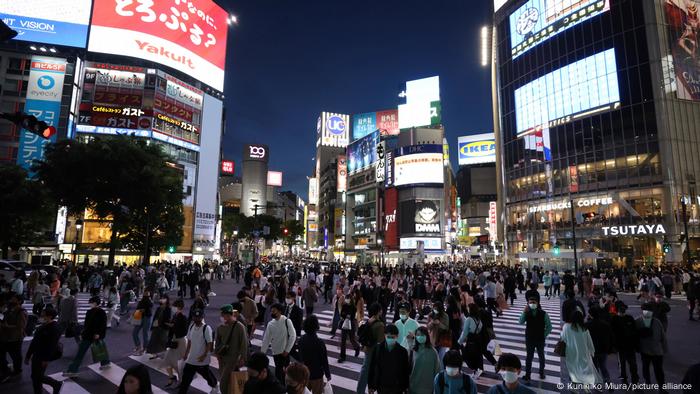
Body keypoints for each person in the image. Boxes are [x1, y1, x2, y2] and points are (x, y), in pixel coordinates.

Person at [64, 296, 111, 376]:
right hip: (89, 334)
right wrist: (83, 333)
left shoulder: (101, 312)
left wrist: (98, 334)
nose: (90, 304)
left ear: (95, 303)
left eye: (91, 302)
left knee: (81, 353)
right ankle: (105, 363)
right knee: (100, 349)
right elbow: (86, 325)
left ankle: (72, 370)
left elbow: (102, 325)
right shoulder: (90, 311)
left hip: (93, 335)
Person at [179, 308, 219, 394]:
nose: (197, 319)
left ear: (202, 317)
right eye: (195, 317)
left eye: (199, 317)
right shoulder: (191, 326)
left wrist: (204, 355)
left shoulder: (206, 328)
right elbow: (189, 341)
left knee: (207, 375)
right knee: (185, 379)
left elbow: (209, 343)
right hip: (191, 359)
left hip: (202, 360)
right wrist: (186, 354)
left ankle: (215, 385)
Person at [24, 307, 63, 394]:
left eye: (43, 314)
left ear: (49, 316)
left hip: (43, 356)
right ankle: (40, 391)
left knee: (36, 376)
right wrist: (28, 355)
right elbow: (34, 342)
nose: (41, 316)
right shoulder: (43, 326)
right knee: (36, 376)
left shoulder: (54, 328)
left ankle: (56, 384)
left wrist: (46, 359)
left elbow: (51, 346)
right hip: (37, 354)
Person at [214, 304, 248, 394]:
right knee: (229, 380)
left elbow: (244, 343)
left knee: (223, 383)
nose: (221, 317)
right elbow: (217, 341)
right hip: (222, 358)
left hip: (233, 359)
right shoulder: (220, 327)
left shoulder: (239, 327)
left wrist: (243, 358)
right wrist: (217, 353)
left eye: (223, 315)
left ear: (229, 315)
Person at [560, 310, 600, 386]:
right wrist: (592, 351)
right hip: (583, 352)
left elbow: (563, 338)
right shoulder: (584, 328)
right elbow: (589, 342)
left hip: (570, 352)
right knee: (583, 368)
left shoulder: (566, 327)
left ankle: (574, 385)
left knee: (572, 369)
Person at [368, 323, 410, 394]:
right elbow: (372, 367)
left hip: (397, 387)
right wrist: (370, 385)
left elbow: (405, 371)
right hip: (381, 386)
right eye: (388, 337)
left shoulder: (402, 351)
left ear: (397, 336)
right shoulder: (378, 349)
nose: (390, 339)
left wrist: (405, 387)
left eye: (392, 337)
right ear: (385, 335)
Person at [518, 295, 552, 381]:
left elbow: (549, 327)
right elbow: (520, 322)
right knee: (530, 357)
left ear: (538, 303)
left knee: (540, 356)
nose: (532, 304)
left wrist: (543, 335)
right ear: (528, 304)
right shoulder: (527, 313)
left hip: (538, 339)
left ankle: (541, 372)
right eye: (530, 303)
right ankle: (528, 374)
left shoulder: (544, 313)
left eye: (534, 302)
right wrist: (524, 312)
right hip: (530, 339)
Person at [260, 303, 297, 383]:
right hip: (276, 352)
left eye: (274, 311)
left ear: (280, 311)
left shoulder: (287, 321)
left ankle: (284, 388)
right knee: (279, 372)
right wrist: (262, 353)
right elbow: (266, 339)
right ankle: (282, 388)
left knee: (284, 372)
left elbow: (293, 336)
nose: (272, 313)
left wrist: (287, 350)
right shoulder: (270, 324)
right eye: (271, 311)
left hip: (285, 352)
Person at [297, 315, 331, 394]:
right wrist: (327, 374)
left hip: (304, 374)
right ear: (316, 326)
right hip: (317, 374)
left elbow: (300, 355)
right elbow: (324, 360)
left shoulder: (301, 340)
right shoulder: (320, 342)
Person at [636, 303, 668, 388]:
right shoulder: (657, 322)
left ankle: (648, 382)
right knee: (658, 370)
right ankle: (661, 386)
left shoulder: (638, 321)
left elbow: (634, 336)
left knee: (646, 368)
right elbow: (663, 337)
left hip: (645, 350)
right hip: (657, 351)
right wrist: (665, 349)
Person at [357, 302, 385, 394]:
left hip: (367, 348)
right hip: (374, 349)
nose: (382, 311)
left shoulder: (369, 320)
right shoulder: (380, 324)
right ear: (378, 311)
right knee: (373, 371)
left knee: (365, 369)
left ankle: (360, 390)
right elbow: (381, 341)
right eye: (380, 310)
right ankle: (370, 389)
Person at [610, 301, 639, 385]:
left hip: (630, 346)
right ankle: (625, 381)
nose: (622, 310)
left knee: (632, 365)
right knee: (623, 365)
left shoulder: (629, 318)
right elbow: (612, 334)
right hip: (621, 347)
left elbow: (635, 331)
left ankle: (634, 380)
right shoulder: (614, 319)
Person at [0, 293, 27, 382]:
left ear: (19, 301)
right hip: (5, 337)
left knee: (16, 356)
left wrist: (7, 326)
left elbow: (21, 327)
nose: (11, 300)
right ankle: (6, 369)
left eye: (14, 299)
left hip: (15, 338)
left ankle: (17, 370)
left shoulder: (21, 312)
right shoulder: (9, 309)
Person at [408, 326, 441, 394]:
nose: (420, 337)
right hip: (413, 386)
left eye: (422, 335)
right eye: (418, 335)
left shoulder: (433, 352)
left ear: (427, 336)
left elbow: (437, 370)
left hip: (428, 388)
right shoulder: (413, 350)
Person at [163, 299, 188, 387]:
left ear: (180, 307)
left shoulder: (183, 317)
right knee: (167, 361)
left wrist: (174, 327)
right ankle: (172, 377)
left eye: (175, 306)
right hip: (174, 341)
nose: (173, 308)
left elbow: (185, 331)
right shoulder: (175, 315)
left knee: (179, 364)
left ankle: (181, 381)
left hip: (181, 341)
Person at [586, 307, 614, 383]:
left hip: (592, 349)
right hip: (603, 349)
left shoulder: (587, 325)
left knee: (595, 367)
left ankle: (598, 383)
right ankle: (608, 381)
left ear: (591, 315)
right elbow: (611, 337)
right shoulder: (605, 324)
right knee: (603, 366)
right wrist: (610, 348)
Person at [146, 294, 172, 358]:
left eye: (163, 298)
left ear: (166, 300)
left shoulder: (168, 308)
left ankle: (164, 353)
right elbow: (155, 317)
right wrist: (152, 326)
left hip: (164, 327)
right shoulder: (159, 308)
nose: (162, 299)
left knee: (163, 340)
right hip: (157, 326)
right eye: (161, 298)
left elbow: (168, 318)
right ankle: (155, 353)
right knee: (154, 339)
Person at [338, 292, 360, 362]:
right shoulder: (344, 305)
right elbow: (342, 314)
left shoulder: (354, 307)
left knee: (352, 339)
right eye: (346, 298)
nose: (347, 300)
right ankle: (342, 356)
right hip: (344, 324)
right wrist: (345, 315)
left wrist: (347, 315)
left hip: (351, 324)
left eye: (348, 298)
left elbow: (353, 316)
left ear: (351, 299)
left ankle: (357, 347)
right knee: (343, 341)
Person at [132, 290, 153, 356]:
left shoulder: (149, 301)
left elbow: (150, 306)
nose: (146, 294)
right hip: (140, 317)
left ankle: (144, 348)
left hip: (147, 318)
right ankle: (138, 346)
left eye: (147, 294)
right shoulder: (142, 301)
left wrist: (149, 298)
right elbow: (138, 308)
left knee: (145, 334)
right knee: (134, 332)